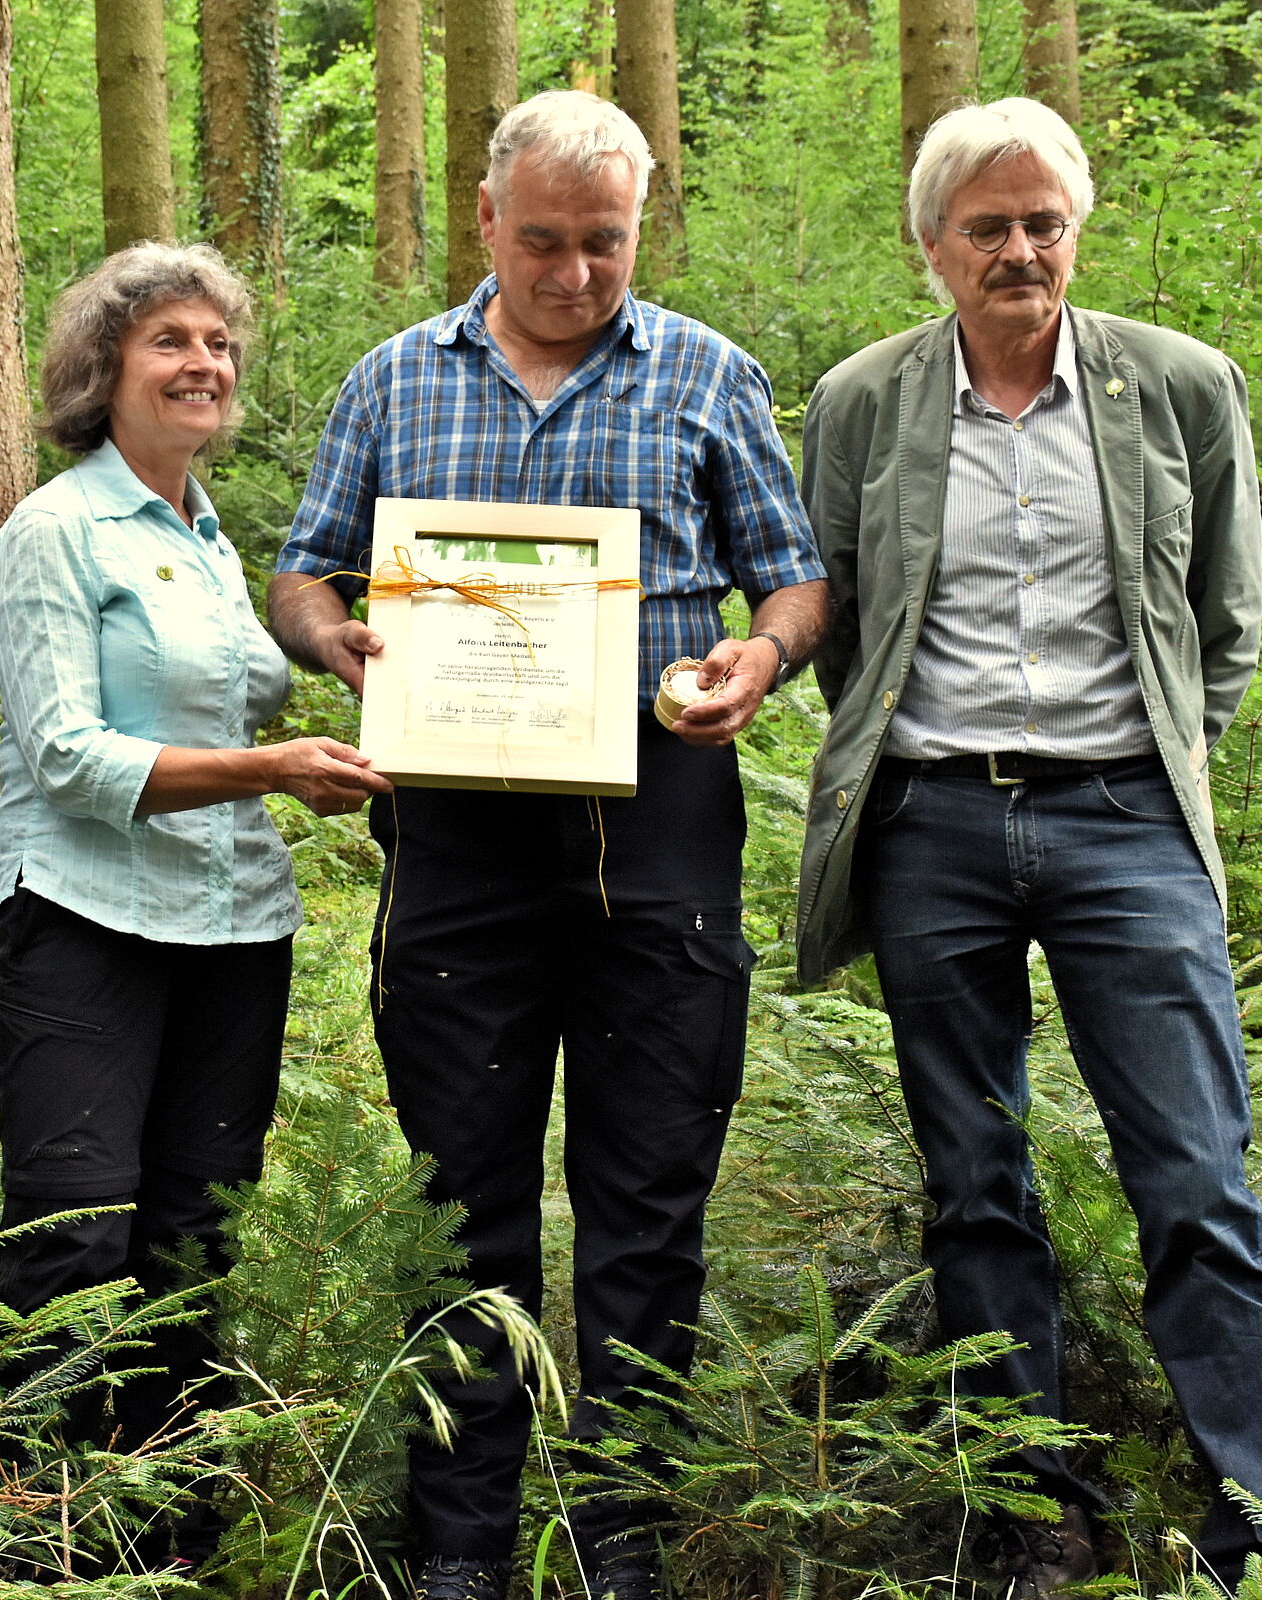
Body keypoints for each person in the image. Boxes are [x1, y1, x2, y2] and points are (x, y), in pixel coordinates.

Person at [270, 91, 827, 1600]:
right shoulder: (395, 379)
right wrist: (345, 645)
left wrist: (756, 664)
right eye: (544, 243)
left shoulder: (710, 373)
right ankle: (461, 1544)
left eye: (606, 243)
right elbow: (305, 570)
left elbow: (792, 580)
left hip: (658, 819)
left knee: (648, 1194)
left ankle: (623, 1532)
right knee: (464, 1196)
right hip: (454, 832)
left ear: (640, 227)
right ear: (485, 218)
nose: (576, 274)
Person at [794, 97, 1262, 1593]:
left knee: (1197, 1175)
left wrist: (1158, 766)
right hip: (935, 824)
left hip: (1125, 818)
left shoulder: (1183, 385)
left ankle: (1258, 1531)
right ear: (933, 247)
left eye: (1045, 222)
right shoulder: (864, 401)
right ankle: (1032, 1512)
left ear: (1075, 229)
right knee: (975, 1177)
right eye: (988, 227)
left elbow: (1226, 617)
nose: (1021, 251)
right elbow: (838, 607)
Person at [0, 241, 391, 1575]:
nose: (203, 363)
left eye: (217, 343)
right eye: (170, 342)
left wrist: (367, 677)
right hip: (83, 919)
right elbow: (67, 758)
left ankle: (170, 1529)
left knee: (195, 1240)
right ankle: (45, 1528)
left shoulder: (208, 537)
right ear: (105, 371)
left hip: (233, 927)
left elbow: (239, 701)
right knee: (74, 1233)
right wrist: (271, 769)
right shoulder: (54, 531)